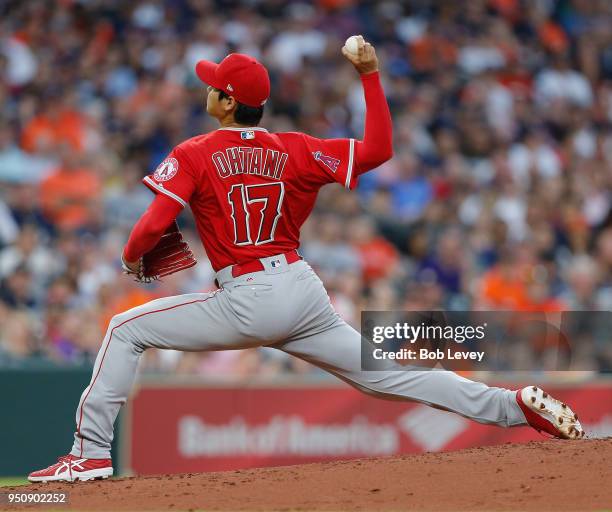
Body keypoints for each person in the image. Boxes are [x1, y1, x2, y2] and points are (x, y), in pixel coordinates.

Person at [29, 37, 583, 483]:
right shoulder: (296, 147)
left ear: (226, 102)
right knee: (387, 377)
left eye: (212, 85)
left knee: (126, 328)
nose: (207, 90)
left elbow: (151, 227)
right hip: (301, 288)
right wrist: (369, 74)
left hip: (246, 296)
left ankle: (91, 453)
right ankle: (512, 406)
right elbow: (378, 151)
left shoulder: (195, 151)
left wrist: (131, 260)